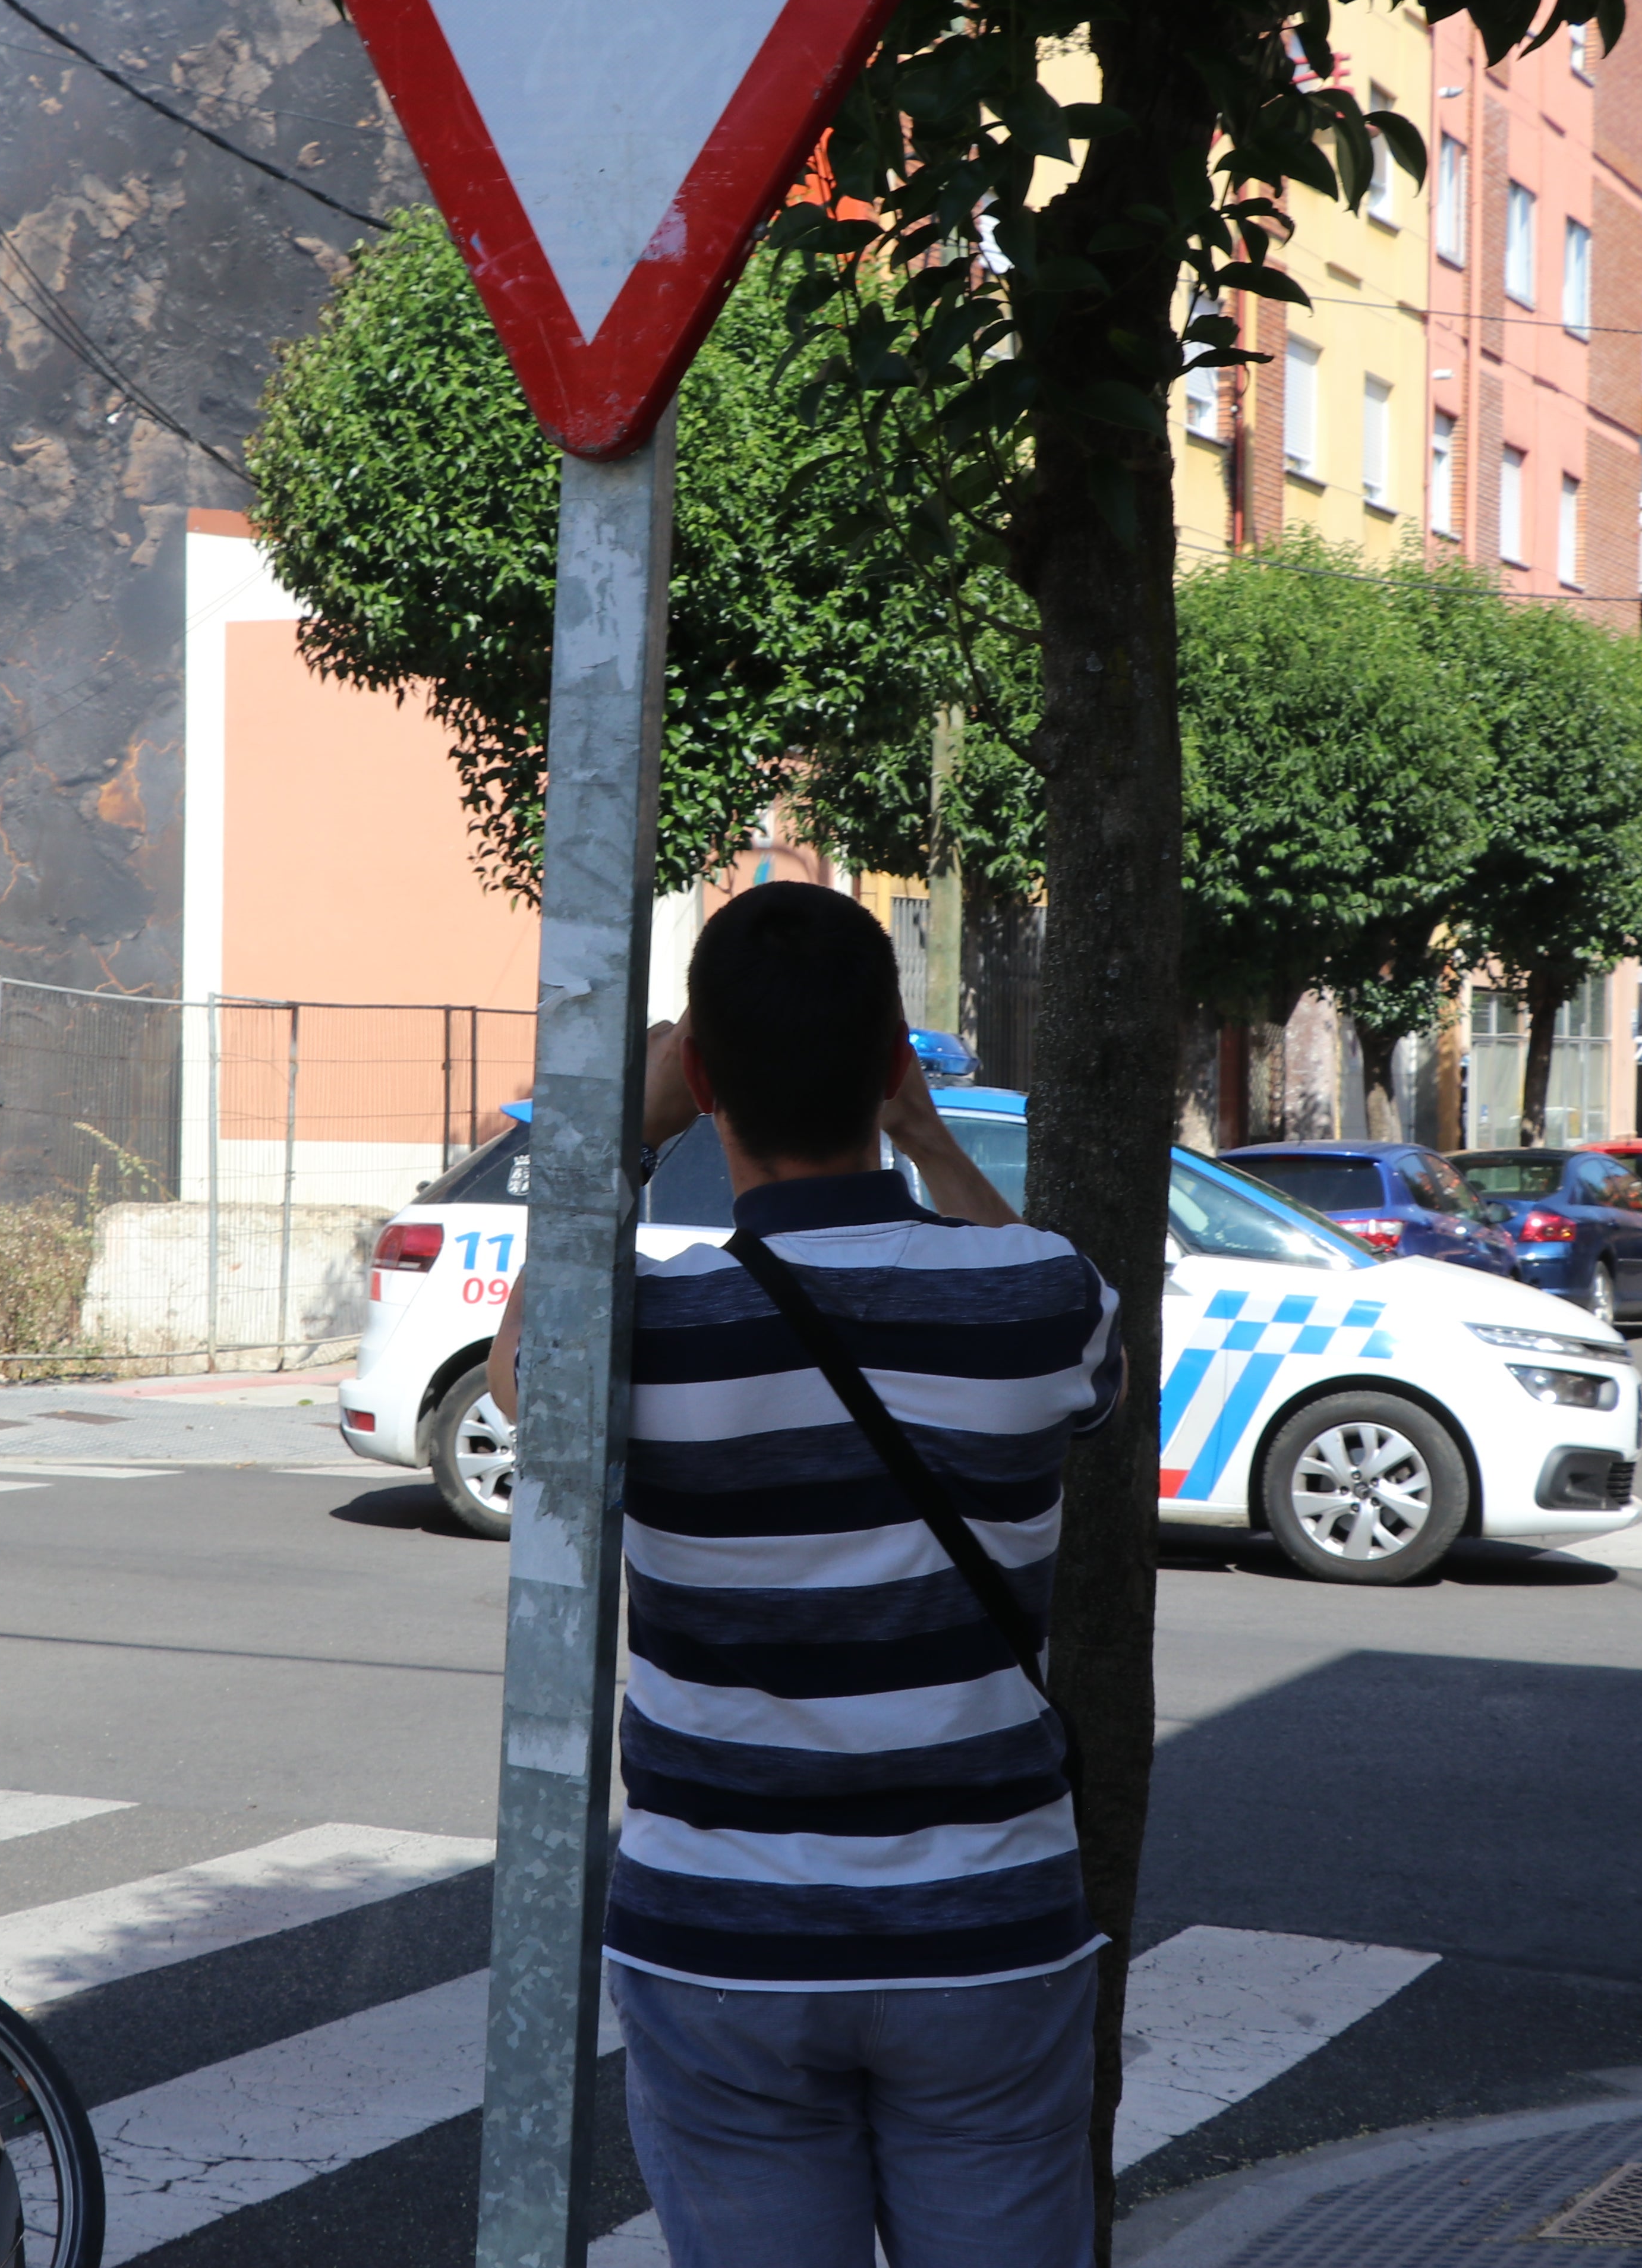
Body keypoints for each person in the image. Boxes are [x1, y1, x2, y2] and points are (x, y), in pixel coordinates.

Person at [488, 882, 1123, 2268]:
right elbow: (1038, 1308)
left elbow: (521, 1379)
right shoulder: (1038, 1295)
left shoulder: (649, 1333)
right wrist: (927, 1129)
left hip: (721, 1944)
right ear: (895, 1056)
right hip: (985, 1932)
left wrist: (628, 1131)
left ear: (703, 1077)